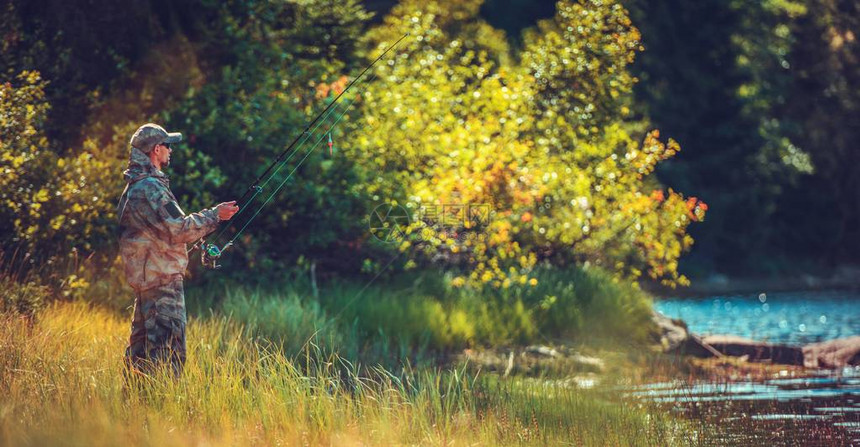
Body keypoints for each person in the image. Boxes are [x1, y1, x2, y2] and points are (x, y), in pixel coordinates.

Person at [117, 123, 239, 378]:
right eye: (168, 146)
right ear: (156, 150)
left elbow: (158, 234)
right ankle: (162, 410)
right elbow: (179, 229)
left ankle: (134, 411)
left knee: (140, 358)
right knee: (167, 357)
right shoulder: (150, 188)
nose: (171, 151)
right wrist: (215, 215)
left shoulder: (134, 187)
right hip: (162, 285)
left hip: (147, 284)